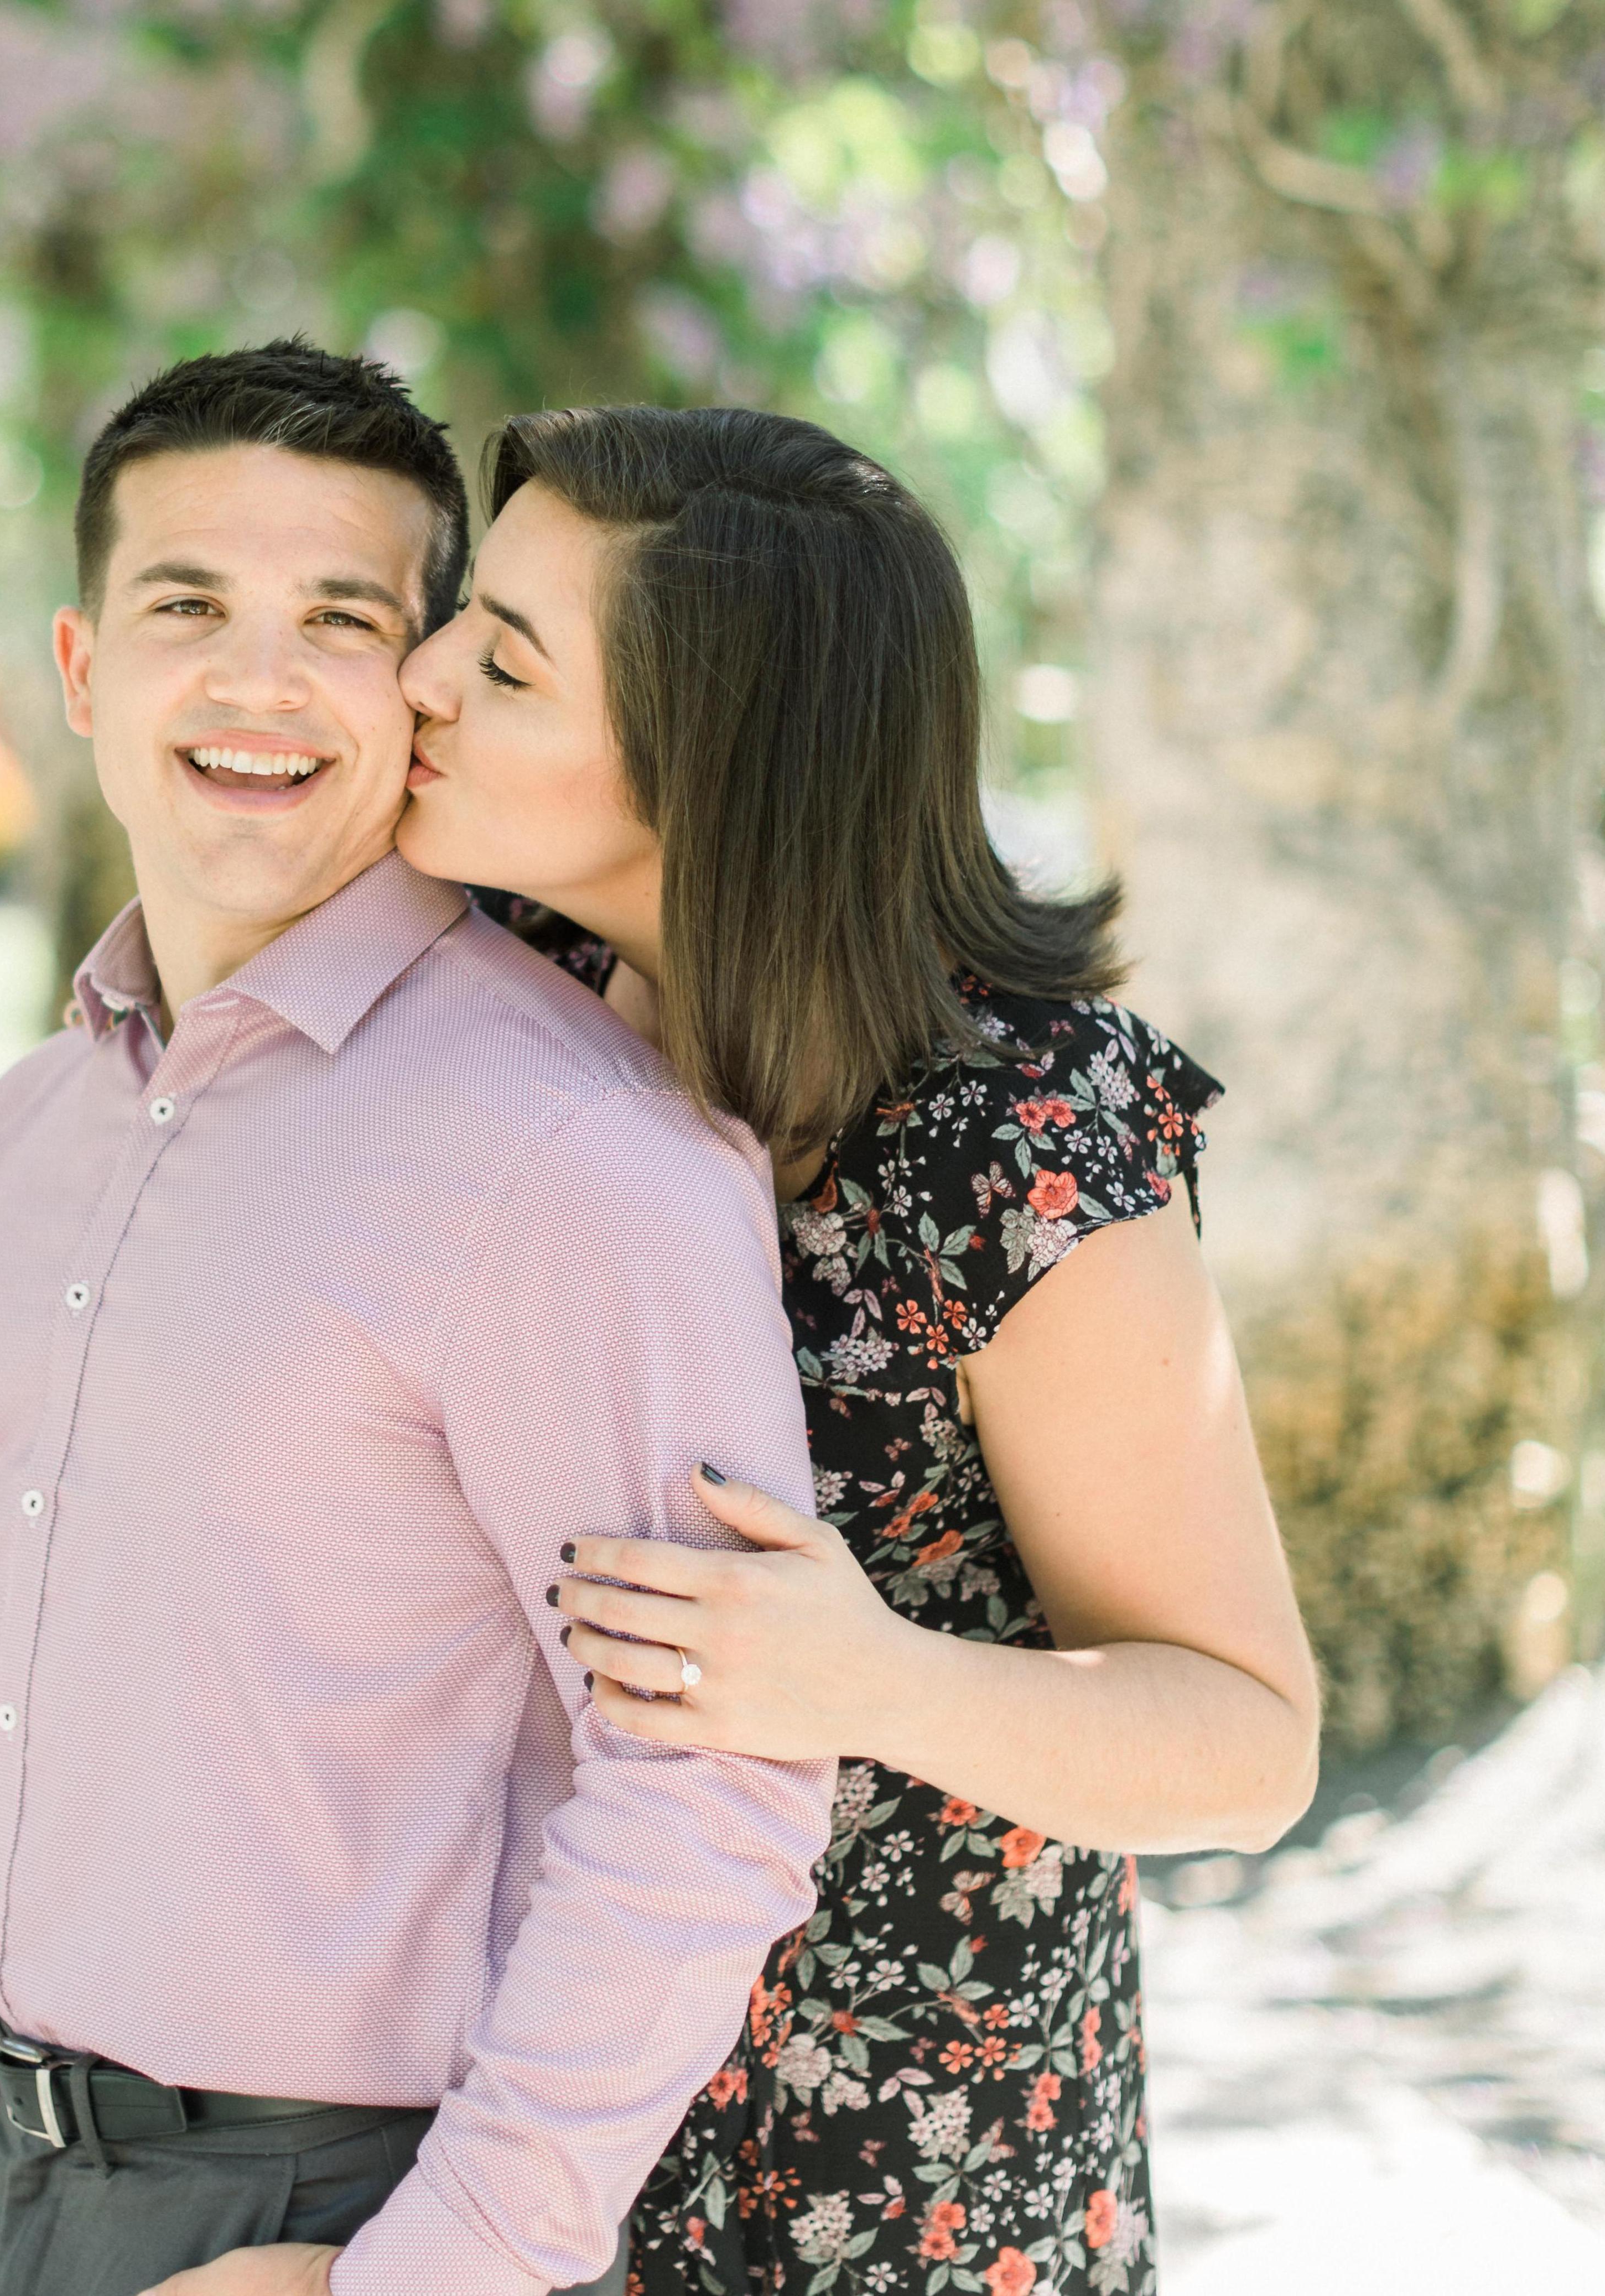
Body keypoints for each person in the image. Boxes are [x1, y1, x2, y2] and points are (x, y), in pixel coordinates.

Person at [0, 347, 838, 2296]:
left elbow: (710, 1793)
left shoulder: (570, 1160)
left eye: (342, 623)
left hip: (330, 2214)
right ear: (80, 669)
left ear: (423, 686)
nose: (259, 684)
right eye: (188, 607)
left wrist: (428, 2276)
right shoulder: (27, 1137)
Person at [395, 404, 1321, 2295]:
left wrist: (866, 1677)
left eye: (496, 661)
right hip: (522, 2156)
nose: (418, 683)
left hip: (914, 2206)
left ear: (710, 759)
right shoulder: (510, 997)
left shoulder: (1014, 1130)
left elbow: (1248, 1742)